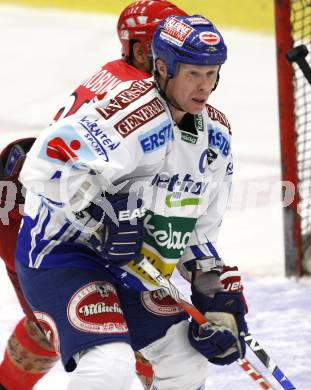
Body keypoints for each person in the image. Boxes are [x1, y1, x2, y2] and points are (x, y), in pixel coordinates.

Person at [15, 14, 249, 390]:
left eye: (211, 74)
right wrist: (101, 217)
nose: (204, 87)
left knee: (185, 365)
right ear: (163, 67)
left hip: (134, 264)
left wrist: (213, 294)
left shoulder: (217, 137)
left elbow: (197, 228)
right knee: (108, 366)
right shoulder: (129, 114)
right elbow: (44, 164)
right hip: (65, 252)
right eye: (193, 74)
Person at [0, 2, 187, 389]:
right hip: (32, 221)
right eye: (167, 47)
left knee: (64, 324)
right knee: (109, 341)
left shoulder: (132, 82)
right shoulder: (131, 95)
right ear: (139, 50)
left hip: (49, 211)